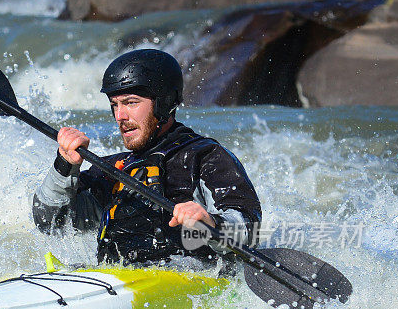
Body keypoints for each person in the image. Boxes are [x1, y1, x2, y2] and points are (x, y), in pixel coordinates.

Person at [32, 48, 262, 266]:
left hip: (191, 282)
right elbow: (50, 223)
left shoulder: (205, 156)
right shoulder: (114, 170)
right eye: (115, 105)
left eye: (131, 103)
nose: (120, 116)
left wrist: (210, 223)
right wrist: (64, 166)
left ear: (163, 103)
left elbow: (251, 232)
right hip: (116, 282)